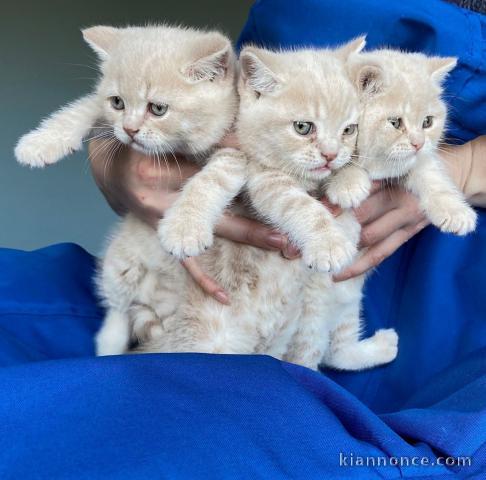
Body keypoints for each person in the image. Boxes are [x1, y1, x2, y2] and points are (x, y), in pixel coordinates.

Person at [1, 1, 485, 478]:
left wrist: (460, 171)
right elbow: (179, 86)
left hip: (438, 286)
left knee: (190, 442)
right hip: (209, 254)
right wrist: (122, 165)